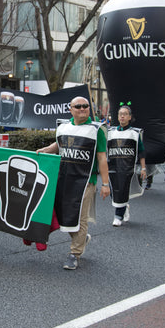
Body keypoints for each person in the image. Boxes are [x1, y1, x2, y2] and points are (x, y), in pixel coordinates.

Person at [36, 96, 110, 270]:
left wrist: (105, 184)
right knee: (64, 216)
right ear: (71, 109)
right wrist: (46, 150)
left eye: (86, 106)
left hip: (85, 181)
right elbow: (59, 143)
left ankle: (74, 253)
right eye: (79, 106)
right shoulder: (63, 127)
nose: (83, 108)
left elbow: (101, 157)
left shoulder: (96, 130)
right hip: (64, 179)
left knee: (80, 218)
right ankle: (82, 239)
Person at [107, 104, 146, 227]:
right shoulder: (110, 132)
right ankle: (124, 206)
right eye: (120, 114)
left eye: (125, 114)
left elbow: (141, 151)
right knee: (114, 192)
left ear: (130, 117)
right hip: (112, 168)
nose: (122, 116)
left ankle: (118, 216)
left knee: (122, 190)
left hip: (127, 169)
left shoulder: (134, 133)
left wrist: (143, 168)